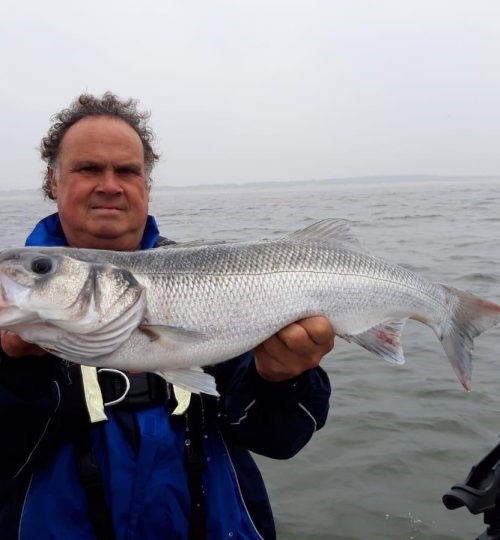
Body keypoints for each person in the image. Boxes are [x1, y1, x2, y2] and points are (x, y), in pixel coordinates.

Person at [0, 93, 333, 540]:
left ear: (147, 184)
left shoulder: (213, 284)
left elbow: (280, 440)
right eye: (88, 169)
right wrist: (16, 373)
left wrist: (283, 379)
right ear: (53, 181)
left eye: (127, 171)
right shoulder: (14, 306)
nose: (110, 185)